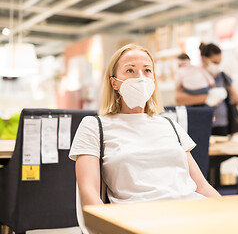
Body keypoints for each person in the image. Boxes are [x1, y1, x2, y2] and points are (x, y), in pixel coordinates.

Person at [69, 44, 221, 207]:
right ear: (114, 83)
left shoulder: (169, 124)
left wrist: (232, 212)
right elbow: (89, 193)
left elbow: (202, 187)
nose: (140, 77)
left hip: (191, 211)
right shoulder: (94, 126)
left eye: (147, 70)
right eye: (130, 70)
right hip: (139, 218)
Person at [175, 43, 238, 136]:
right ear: (204, 59)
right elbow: (178, 98)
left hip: (221, 125)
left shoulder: (223, 77)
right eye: (215, 62)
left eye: (219, 62)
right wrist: (208, 98)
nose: (217, 65)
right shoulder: (191, 76)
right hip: (199, 123)